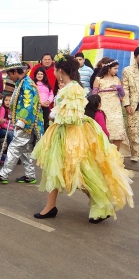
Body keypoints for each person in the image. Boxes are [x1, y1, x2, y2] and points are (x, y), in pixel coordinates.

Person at [32, 54, 133, 223]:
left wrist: (53, 115)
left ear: (60, 70)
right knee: (55, 170)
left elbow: (72, 116)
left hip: (71, 135)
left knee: (81, 173)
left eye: (56, 69)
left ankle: (102, 205)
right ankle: (50, 206)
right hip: (64, 133)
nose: (54, 72)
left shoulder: (72, 88)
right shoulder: (69, 87)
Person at [0, 52, 43, 184]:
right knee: (25, 150)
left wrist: (20, 122)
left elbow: (28, 105)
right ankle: (30, 175)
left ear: (15, 71)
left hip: (26, 123)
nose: (8, 76)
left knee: (13, 146)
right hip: (24, 122)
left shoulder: (26, 85)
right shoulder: (22, 82)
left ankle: (3, 174)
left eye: (9, 73)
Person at [92, 58, 126, 150]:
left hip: (115, 108)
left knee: (117, 129)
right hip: (103, 107)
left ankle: (116, 154)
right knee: (104, 129)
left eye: (117, 68)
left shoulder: (117, 79)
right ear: (108, 68)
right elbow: (94, 95)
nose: (117, 70)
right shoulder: (98, 79)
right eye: (115, 68)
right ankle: (105, 153)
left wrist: (120, 89)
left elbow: (123, 94)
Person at [122, 47, 139, 161]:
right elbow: (125, 89)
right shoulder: (127, 70)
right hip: (133, 104)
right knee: (133, 129)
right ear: (135, 57)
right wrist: (127, 104)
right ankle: (135, 154)